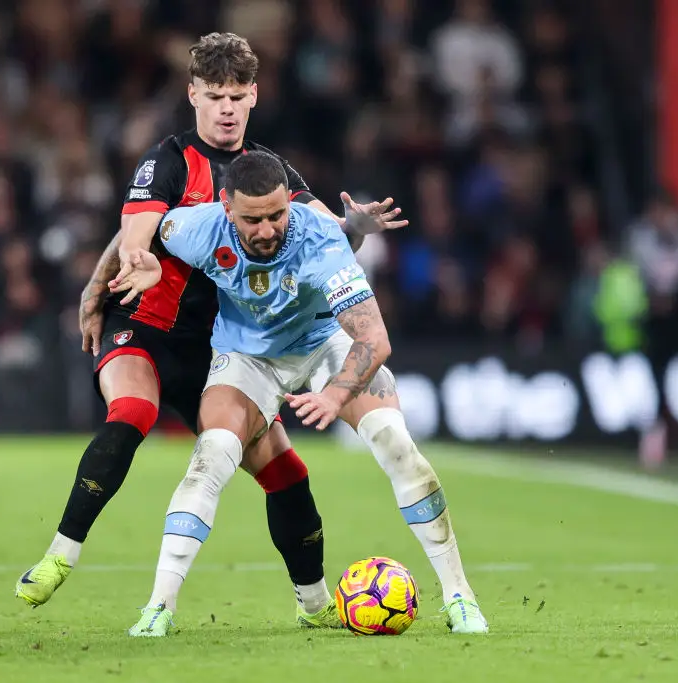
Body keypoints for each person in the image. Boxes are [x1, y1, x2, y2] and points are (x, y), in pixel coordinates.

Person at [15, 33, 406, 628]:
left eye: (236, 96)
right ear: (192, 93)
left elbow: (320, 232)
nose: (225, 108)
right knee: (132, 415)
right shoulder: (166, 162)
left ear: (253, 97)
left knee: (286, 472)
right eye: (214, 95)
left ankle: (317, 605)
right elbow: (134, 239)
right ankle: (59, 556)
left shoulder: (265, 173)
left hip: (217, 350)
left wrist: (354, 226)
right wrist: (107, 284)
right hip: (144, 329)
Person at [112, 151, 489, 637]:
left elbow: (374, 339)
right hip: (246, 358)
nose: (268, 229)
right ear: (226, 207)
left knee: (394, 440)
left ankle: (461, 597)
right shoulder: (193, 229)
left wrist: (334, 396)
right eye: (253, 219)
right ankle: (158, 608)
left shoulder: (320, 238)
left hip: (322, 345)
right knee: (213, 454)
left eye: (277, 215)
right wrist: (118, 280)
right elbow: (140, 229)